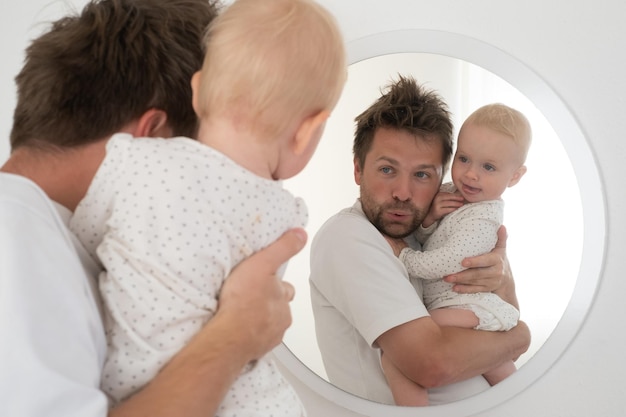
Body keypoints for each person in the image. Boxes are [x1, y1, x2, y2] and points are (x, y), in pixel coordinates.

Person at [0, 1, 308, 416]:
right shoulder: (13, 229)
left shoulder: (55, 238)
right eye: (211, 157)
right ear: (151, 139)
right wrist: (236, 335)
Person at [67, 0, 346, 414]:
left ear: (196, 91)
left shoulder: (132, 159)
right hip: (234, 395)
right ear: (306, 132)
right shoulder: (284, 218)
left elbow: (85, 240)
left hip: (126, 379)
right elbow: (259, 307)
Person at [309, 75, 531, 406]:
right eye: (387, 170)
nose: (402, 192)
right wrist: (521, 336)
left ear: (441, 178)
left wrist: (504, 281)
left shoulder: (430, 234)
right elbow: (432, 364)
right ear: (358, 169)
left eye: (422, 175)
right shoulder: (350, 237)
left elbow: (499, 313)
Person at [382, 103, 532, 406]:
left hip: (467, 303)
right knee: (498, 368)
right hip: (459, 302)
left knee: (400, 353)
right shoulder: (453, 194)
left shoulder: (483, 217)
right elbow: (432, 240)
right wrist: (429, 219)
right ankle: (528, 405)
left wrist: (406, 258)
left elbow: (450, 260)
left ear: (514, 177)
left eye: (488, 167)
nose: (471, 175)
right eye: (464, 159)